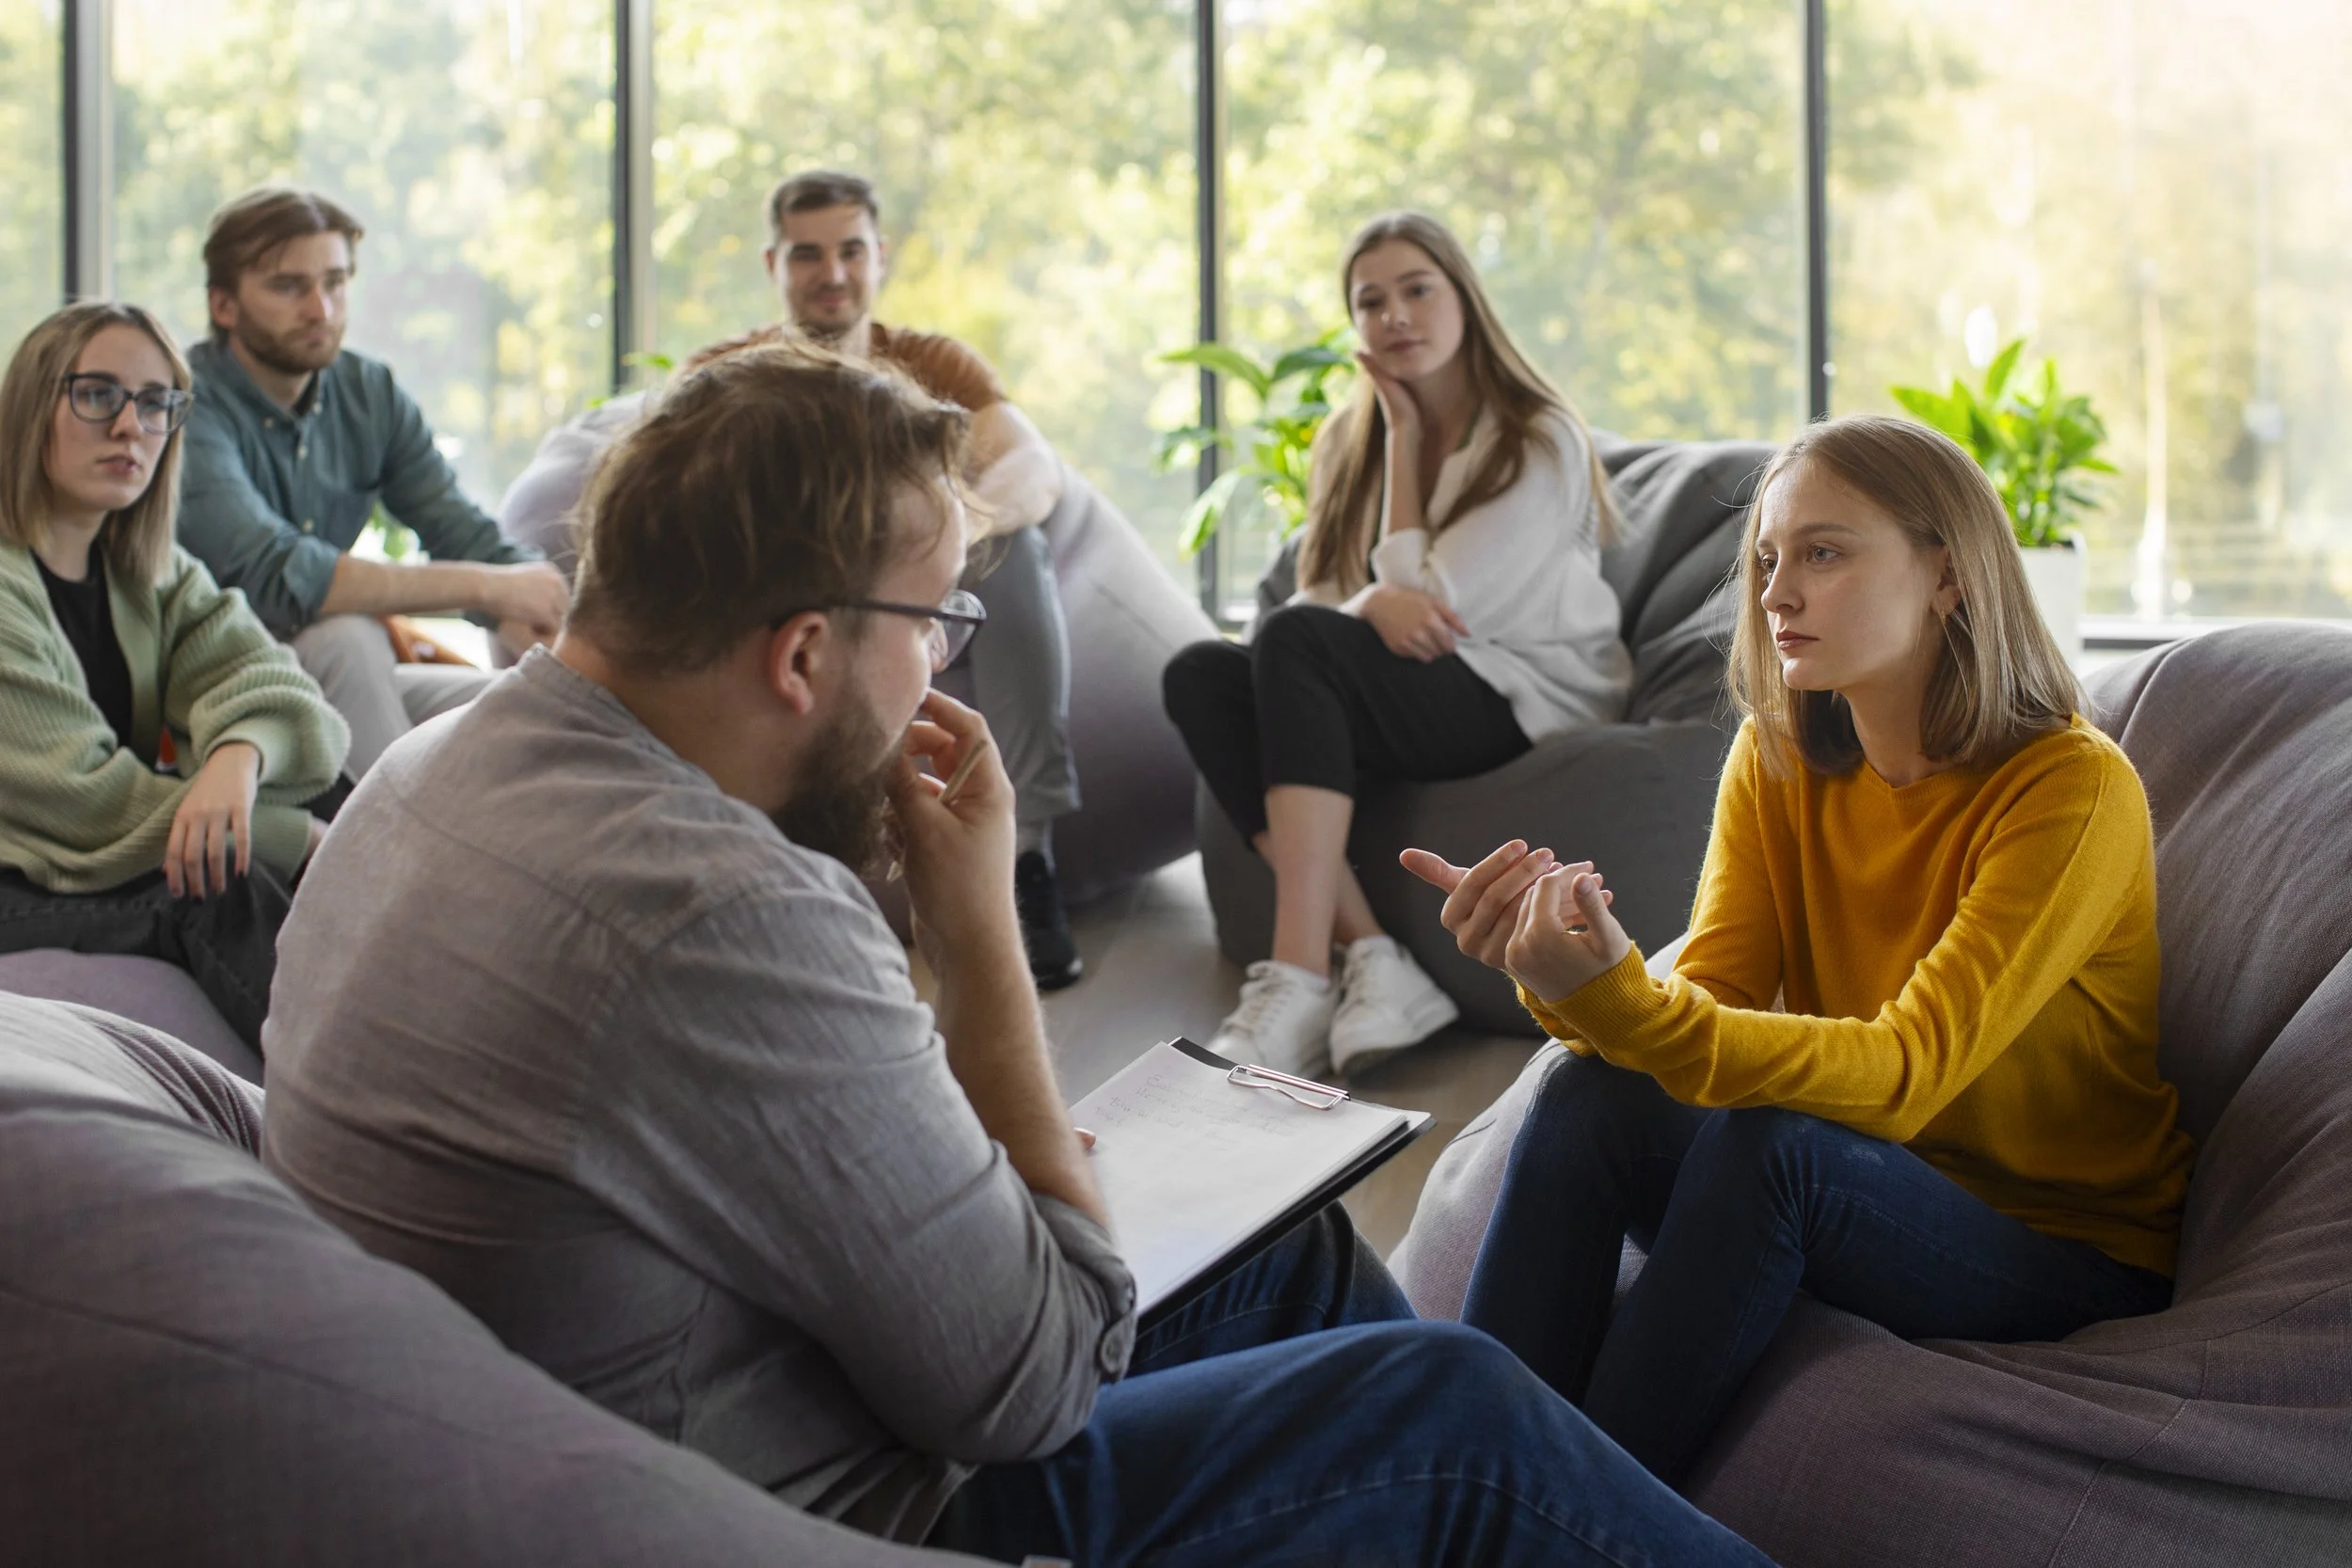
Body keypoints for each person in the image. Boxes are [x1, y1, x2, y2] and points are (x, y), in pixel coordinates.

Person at [258, 342, 1773, 1568]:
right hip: (800, 1502)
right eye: (936, 619)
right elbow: (1039, 1377)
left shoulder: (435, 765)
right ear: (800, 654)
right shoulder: (712, 907)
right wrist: (980, 933)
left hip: (632, 1397)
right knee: (1449, 1408)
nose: (945, 662)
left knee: (1287, 1246)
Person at [1406, 413, 2195, 1486]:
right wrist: (1567, 981)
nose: (1777, 591)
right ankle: (1463, 1476)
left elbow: (1908, 1074)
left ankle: (1571, 1513)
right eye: (1768, 558)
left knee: (1773, 1152)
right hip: (1862, 1178)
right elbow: (1707, 1003)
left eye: (1822, 552)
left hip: (2058, 1241)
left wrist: (1626, 1004)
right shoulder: (1777, 757)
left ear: (1948, 576)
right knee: (1584, 1100)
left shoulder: (2068, 787)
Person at [1163, 211, 1632, 1078]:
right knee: (1202, 673)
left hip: (1523, 691)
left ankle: (1300, 972)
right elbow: (1319, 595)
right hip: (1416, 688)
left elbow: (1437, 608)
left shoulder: (1538, 435)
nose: (1394, 315)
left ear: (1465, 298)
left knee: (1299, 644)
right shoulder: (1352, 440)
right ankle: (1375, 952)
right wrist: (1392, 452)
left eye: (1417, 289)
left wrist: (1407, 463)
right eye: (1370, 301)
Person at [764, 168, 1083, 989]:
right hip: (798, 578)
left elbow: (1031, 466)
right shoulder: (741, 372)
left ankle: (1028, 860)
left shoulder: (932, 361)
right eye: (807, 254)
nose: (831, 273)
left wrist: (952, 531)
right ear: (774, 265)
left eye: (849, 250)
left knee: (1016, 552)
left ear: (880, 257)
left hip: (923, 568)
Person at [0, 302, 349, 1052]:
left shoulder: (149, 570)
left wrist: (239, 756)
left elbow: (291, 703)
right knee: (215, 883)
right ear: (33, 405)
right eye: (98, 395)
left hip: (78, 847)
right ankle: (358, 1096)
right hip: (14, 875)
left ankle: (455, 1015)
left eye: (157, 402)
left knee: (331, 788)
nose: (132, 427)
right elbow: (84, 803)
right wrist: (288, 835)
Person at [175, 186, 571, 777]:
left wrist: (558, 623)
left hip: (325, 685)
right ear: (224, 306)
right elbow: (283, 574)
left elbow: (463, 532)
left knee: (538, 710)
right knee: (349, 637)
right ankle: (391, 862)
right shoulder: (183, 405)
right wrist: (491, 589)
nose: (321, 309)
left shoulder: (368, 392)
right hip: (215, 688)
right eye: (289, 287)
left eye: (334, 283)